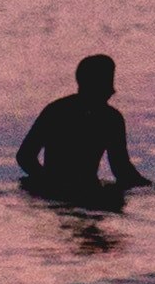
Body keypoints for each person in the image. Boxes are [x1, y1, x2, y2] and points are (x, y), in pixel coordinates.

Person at [16, 51, 143, 206]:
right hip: (83, 192)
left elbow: (25, 156)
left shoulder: (57, 110)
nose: (111, 90)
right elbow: (122, 170)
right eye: (107, 82)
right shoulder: (110, 118)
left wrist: (47, 182)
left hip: (57, 194)